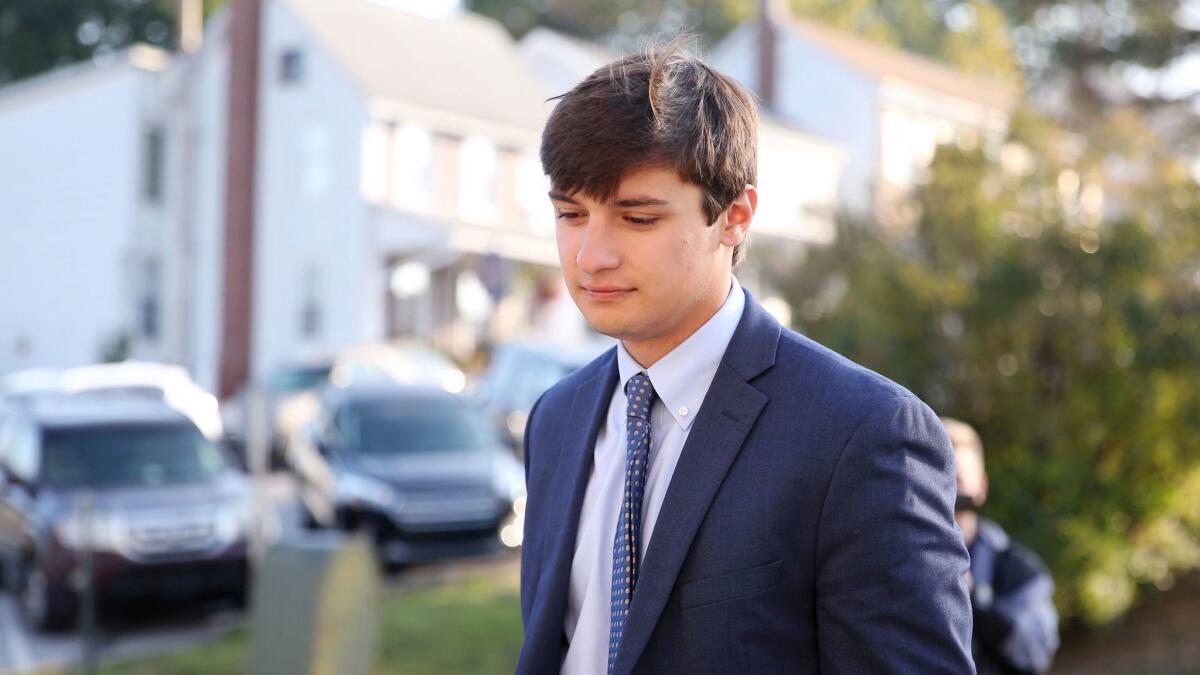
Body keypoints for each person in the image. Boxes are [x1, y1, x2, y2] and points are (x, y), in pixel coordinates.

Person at [516, 41, 974, 675]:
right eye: (570, 214)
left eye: (637, 218)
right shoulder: (555, 421)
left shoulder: (862, 434)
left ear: (734, 217)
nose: (591, 255)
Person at [943, 418, 1060, 675]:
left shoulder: (1017, 569)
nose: (948, 495)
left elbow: (1034, 651)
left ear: (981, 488)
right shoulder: (895, 564)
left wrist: (974, 600)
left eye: (958, 482)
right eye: (940, 482)